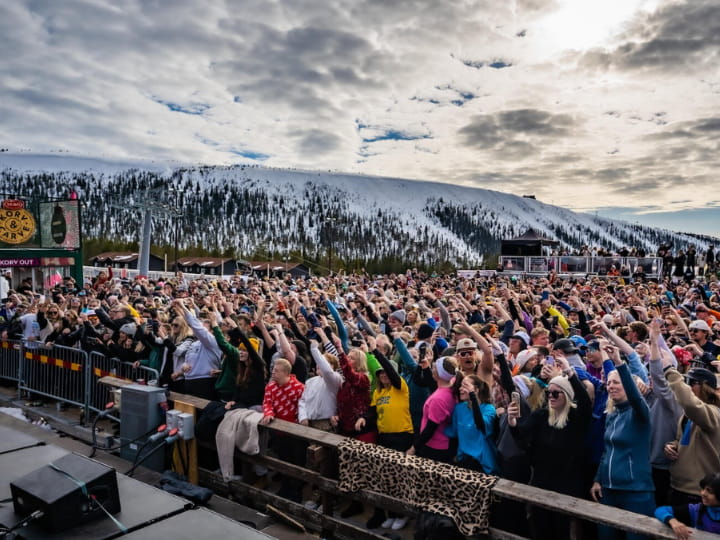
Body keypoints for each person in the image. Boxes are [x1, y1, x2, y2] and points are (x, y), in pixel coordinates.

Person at [508, 354, 592, 540]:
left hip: (566, 484)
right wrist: (512, 422)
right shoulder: (541, 415)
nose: (551, 397)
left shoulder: (576, 417)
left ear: (567, 395)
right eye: (548, 393)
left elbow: (585, 402)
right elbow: (522, 436)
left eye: (556, 393)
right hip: (541, 480)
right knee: (540, 527)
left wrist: (569, 372)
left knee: (560, 530)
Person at [591, 344, 655, 540]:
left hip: (635, 491)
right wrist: (598, 479)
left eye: (616, 383)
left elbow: (636, 398)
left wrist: (619, 363)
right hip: (609, 491)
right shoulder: (612, 415)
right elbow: (607, 451)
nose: (611, 386)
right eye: (609, 383)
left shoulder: (640, 413)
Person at [664, 366, 720, 505]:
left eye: (691, 382)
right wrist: (672, 446)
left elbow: (690, 404)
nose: (687, 387)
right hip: (677, 487)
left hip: (699, 493)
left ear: (705, 387)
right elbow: (683, 440)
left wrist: (669, 370)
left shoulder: (714, 413)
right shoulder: (687, 415)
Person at [407, 356, 461, 463]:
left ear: (439, 374)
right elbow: (433, 385)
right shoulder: (452, 384)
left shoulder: (438, 400)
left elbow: (430, 429)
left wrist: (414, 448)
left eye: (434, 368)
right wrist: (426, 368)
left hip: (435, 447)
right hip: (445, 443)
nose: (432, 369)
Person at [446, 374, 498, 475]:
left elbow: (481, 425)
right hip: (463, 461)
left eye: (465, 386)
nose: (460, 389)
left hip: (483, 465)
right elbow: (453, 433)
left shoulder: (489, 409)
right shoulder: (459, 408)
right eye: (461, 385)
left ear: (476, 390)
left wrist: (473, 397)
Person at [655, 472, 720, 539]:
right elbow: (660, 510)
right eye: (703, 488)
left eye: (709, 491)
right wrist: (673, 521)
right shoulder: (697, 510)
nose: (703, 493)